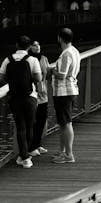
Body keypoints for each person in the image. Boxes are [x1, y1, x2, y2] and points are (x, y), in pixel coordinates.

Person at [0, 35, 42, 168]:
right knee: (30, 126)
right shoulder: (32, 60)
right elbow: (38, 78)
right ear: (29, 47)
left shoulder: (7, 60)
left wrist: (13, 82)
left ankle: (24, 157)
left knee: (20, 127)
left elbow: (1, 77)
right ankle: (25, 156)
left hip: (14, 98)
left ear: (16, 45)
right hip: (30, 97)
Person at [51, 27, 80, 164]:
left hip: (64, 92)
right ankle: (63, 151)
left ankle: (69, 155)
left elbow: (62, 75)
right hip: (71, 90)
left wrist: (51, 71)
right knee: (64, 123)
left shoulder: (66, 54)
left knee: (66, 123)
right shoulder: (74, 51)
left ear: (60, 38)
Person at [27, 40, 51, 158]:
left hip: (43, 94)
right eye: (34, 45)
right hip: (33, 94)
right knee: (33, 121)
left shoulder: (44, 58)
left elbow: (48, 73)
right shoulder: (28, 59)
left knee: (42, 119)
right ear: (30, 47)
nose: (37, 47)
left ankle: (37, 144)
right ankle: (31, 147)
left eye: (38, 44)